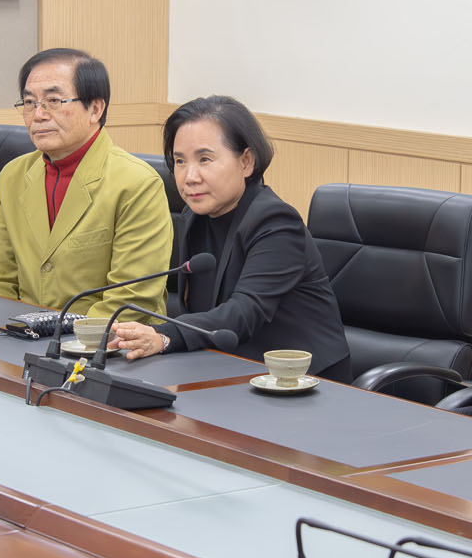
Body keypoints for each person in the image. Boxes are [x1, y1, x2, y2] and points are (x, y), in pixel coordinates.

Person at [108, 96, 351, 380]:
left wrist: (164, 335)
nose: (190, 176)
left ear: (246, 162)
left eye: (205, 159)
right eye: (180, 161)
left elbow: (244, 312)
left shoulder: (276, 222)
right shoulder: (193, 216)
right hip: (226, 369)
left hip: (301, 381)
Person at [0, 48, 172, 316]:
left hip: (108, 337)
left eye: (54, 101)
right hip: (20, 333)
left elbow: (130, 300)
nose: (38, 115)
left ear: (95, 109)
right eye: (30, 102)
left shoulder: (137, 183)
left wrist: (59, 337)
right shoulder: (13, 176)